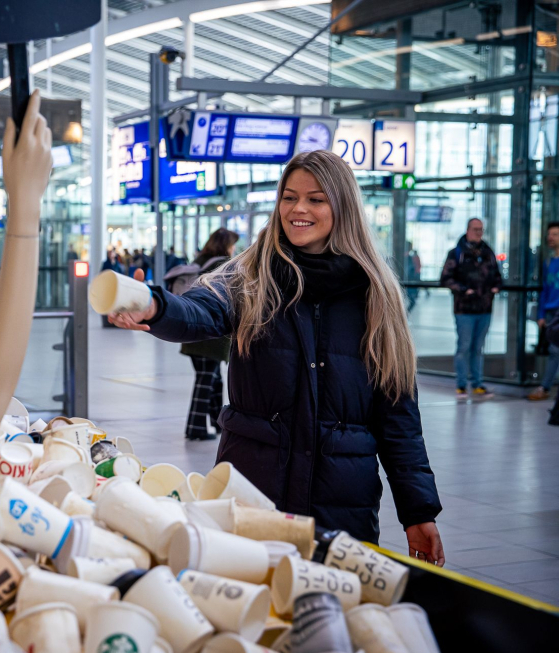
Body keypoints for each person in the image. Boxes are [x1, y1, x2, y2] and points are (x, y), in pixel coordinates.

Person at [109, 150, 444, 563]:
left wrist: (418, 511)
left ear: (342, 206)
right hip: (251, 496)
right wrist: (155, 306)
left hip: (341, 509)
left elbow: (399, 419)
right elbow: (199, 311)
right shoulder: (251, 276)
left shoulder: (377, 297)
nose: (298, 208)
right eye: (289, 197)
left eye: (316, 199)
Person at [164, 228, 239, 440]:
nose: (234, 249)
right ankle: (195, 427)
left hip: (193, 331)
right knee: (205, 381)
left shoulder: (200, 260)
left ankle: (218, 424)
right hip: (211, 337)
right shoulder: (222, 265)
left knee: (214, 380)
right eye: (232, 244)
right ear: (226, 245)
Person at [439, 218, 502, 400]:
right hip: (464, 310)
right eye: (475, 229)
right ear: (467, 230)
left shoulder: (488, 252)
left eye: (481, 229)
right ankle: (461, 385)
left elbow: (497, 275)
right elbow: (445, 278)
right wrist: (464, 290)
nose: (478, 233)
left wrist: (495, 288)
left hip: (484, 308)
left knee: (477, 348)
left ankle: (477, 384)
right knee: (464, 347)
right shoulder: (457, 253)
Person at [529, 222, 559, 401]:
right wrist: (540, 314)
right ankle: (545, 386)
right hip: (550, 312)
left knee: (555, 351)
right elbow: (545, 290)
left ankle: (545, 387)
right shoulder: (548, 262)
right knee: (553, 350)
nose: (550, 238)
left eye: (555, 234)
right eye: (550, 234)